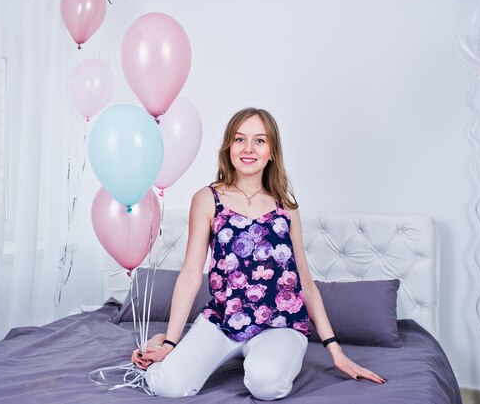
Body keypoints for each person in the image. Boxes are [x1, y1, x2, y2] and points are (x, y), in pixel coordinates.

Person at [131, 108, 386, 400]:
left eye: (259, 141)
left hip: (280, 324)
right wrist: (171, 344)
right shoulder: (206, 199)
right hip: (223, 322)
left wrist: (335, 351)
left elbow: (304, 281)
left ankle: (262, 355)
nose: (248, 149)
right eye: (240, 139)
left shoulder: (286, 208)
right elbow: (190, 276)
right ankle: (174, 345)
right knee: (167, 386)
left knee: (266, 385)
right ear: (228, 147)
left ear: (272, 152)